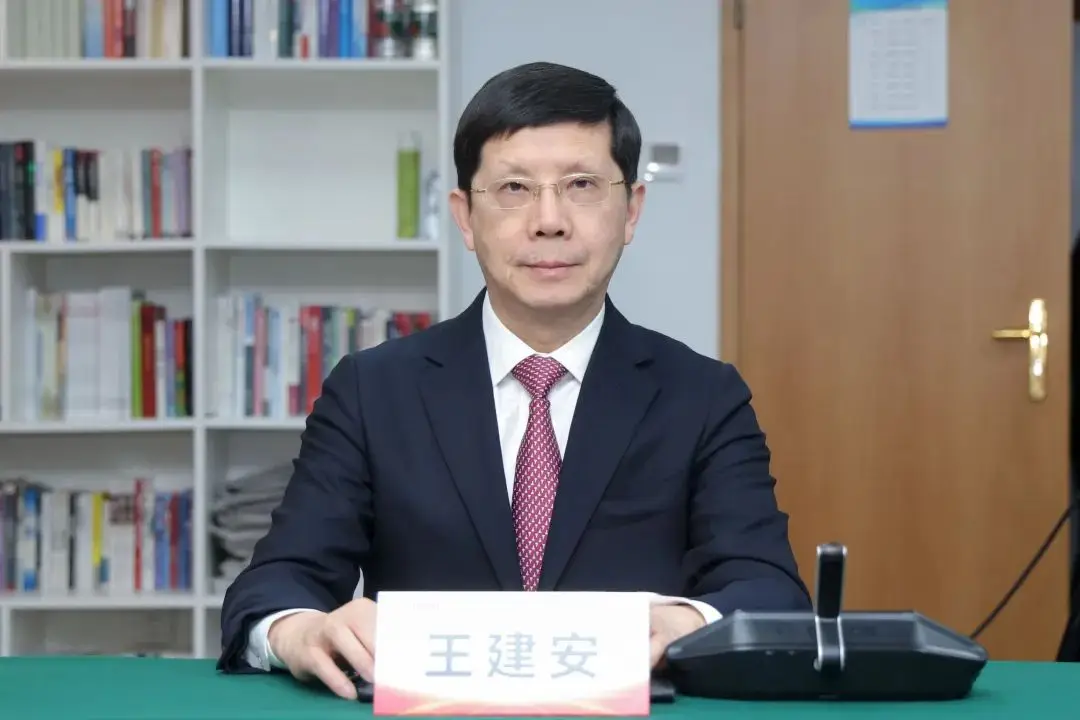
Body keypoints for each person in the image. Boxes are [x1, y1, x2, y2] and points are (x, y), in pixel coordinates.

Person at [217, 61, 811, 698]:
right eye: (513, 188)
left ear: (631, 211)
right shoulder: (373, 390)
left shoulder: (703, 396)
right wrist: (301, 630)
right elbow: (274, 585)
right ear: (465, 217)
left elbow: (770, 592)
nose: (548, 220)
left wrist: (684, 621)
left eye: (581, 185)